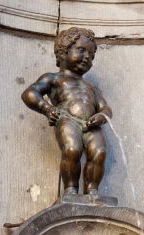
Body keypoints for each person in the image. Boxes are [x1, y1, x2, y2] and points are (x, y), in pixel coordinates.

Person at [21, 27, 112, 195]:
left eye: (91, 56)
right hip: (67, 119)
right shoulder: (54, 78)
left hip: (91, 124)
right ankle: (71, 190)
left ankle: (92, 192)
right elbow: (29, 93)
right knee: (72, 150)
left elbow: (106, 108)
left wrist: (101, 116)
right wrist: (47, 109)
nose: (87, 57)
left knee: (99, 153)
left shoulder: (92, 87)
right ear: (63, 52)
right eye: (81, 50)